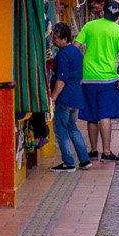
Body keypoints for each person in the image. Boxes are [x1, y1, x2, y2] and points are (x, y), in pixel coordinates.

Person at [76, 0, 119, 163]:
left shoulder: (89, 26)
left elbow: (76, 45)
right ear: (117, 14)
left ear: (102, 11)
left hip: (88, 78)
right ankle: (106, 152)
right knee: (105, 115)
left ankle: (93, 150)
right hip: (108, 79)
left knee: (91, 116)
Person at [47, 23, 91, 172]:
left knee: (61, 129)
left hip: (65, 97)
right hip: (76, 95)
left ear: (64, 39)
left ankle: (68, 162)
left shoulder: (63, 55)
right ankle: (84, 160)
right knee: (72, 128)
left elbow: (61, 79)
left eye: (56, 38)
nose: (53, 40)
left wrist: (53, 97)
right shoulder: (76, 52)